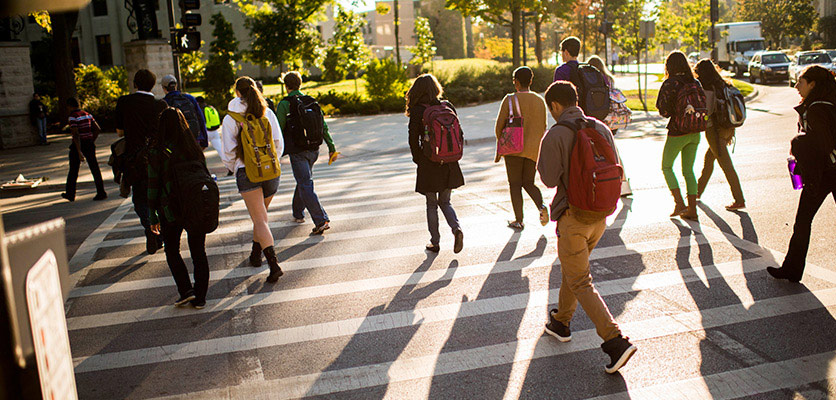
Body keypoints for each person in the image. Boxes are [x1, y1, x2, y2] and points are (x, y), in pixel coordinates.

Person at [538, 80, 636, 374]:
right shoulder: (600, 127)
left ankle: (615, 341)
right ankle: (561, 321)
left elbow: (549, 179)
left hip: (574, 218)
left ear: (555, 106)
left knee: (581, 280)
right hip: (601, 216)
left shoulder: (556, 134)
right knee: (574, 268)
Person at [768, 65, 836, 283]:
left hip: (824, 173)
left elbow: (824, 145)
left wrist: (798, 143)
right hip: (829, 170)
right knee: (803, 221)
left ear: (813, 84)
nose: (796, 86)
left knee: (803, 220)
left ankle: (792, 269)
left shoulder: (816, 109)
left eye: (801, 82)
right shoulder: (830, 102)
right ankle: (791, 268)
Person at [220, 76, 285, 283]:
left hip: (247, 171)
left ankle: (273, 265)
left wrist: (235, 167)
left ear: (237, 92)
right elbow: (278, 143)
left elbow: (228, 152)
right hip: (270, 171)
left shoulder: (231, 118)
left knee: (260, 220)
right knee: (261, 217)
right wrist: (273, 163)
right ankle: (255, 254)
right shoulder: (267, 112)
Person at [148, 108, 211, 308]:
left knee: (172, 251)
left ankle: (185, 290)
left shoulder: (158, 152)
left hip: (170, 210)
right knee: (198, 252)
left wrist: (152, 215)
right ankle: (200, 297)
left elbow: (152, 186)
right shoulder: (194, 149)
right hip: (195, 207)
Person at [406, 74, 465, 253]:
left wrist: (419, 159)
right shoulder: (447, 106)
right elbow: (459, 134)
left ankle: (435, 241)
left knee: (431, 203)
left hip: (429, 161)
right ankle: (456, 228)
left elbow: (412, 139)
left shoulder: (417, 111)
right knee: (445, 201)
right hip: (449, 162)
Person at [115, 69, 169, 254]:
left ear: (135, 84)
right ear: (153, 85)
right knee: (159, 196)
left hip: (133, 159)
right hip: (156, 159)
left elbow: (120, 132)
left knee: (139, 198)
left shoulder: (124, 102)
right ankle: (158, 231)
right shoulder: (160, 105)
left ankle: (149, 229)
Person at [276, 71, 336, 235]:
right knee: (303, 181)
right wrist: (331, 147)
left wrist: (275, 152)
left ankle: (321, 219)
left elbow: (278, 131)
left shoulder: (284, 104)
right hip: (314, 150)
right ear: (300, 83)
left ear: (286, 85)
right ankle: (297, 213)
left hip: (298, 151)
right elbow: (323, 126)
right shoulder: (311, 101)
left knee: (305, 183)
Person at [493, 66, 549, 230]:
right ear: (531, 81)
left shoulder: (509, 99)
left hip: (514, 148)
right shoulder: (539, 100)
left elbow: (499, 126)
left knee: (515, 184)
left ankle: (519, 220)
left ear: (515, 82)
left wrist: (503, 142)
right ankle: (541, 206)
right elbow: (543, 126)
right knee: (529, 182)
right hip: (533, 149)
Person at [656, 51, 703, 221]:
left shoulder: (670, 83)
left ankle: (679, 203)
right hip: (696, 130)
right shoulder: (695, 81)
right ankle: (692, 209)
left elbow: (664, 110)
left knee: (667, 166)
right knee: (688, 170)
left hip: (678, 131)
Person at [694, 59, 746, 210]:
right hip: (728, 128)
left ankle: (739, 199)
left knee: (726, 165)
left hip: (715, 130)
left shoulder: (708, 88)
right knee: (709, 159)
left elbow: (708, 112)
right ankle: (697, 192)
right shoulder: (724, 84)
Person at [61, 97, 106, 202]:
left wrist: (79, 151)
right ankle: (101, 192)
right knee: (95, 168)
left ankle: (70, 193)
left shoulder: (73, 117)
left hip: (79, 144)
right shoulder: (87, 114)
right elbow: (97, 129)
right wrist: (91, 140)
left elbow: (75, 134)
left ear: (70, 106)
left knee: (73, 170)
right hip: (89, 143)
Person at [161, 74, 208, 149]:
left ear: (164, 88)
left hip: (177, 144)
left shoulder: (164, 103)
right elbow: (201, 119)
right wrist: (204, 141)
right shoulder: (189, 98)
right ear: (176, 85)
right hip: (194, 139)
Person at [196, 96, 231, 175]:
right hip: (214, 131)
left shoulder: (201, 109)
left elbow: (201, 122)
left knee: (199, 151)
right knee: (220, 150)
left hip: (207, 132)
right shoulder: (211, 107)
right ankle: (229, 166)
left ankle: (201, 169)